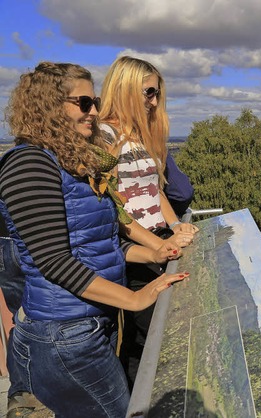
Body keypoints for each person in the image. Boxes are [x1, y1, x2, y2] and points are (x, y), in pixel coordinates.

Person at [1, 62, 187, 417]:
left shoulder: (74, 163)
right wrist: (134, 299)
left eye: (95, 101)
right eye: (84, 103)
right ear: (48, 106)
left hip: (88, 325)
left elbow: (105, 243)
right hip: (63, 332)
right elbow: (54, 262)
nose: (95, 112)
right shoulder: (29, 165)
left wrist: (157, 250)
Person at [99, 56, 199, 383]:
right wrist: (160, 245)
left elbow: (155, 191)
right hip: (131, 249)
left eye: (157, 94)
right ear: (125, 89)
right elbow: (113, 207)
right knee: (151, 334)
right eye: (148, 93)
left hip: (154, 240)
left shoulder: (143, 136)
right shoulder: (104, 136)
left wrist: (174, 226)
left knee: (146, 337)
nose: (154, 102)